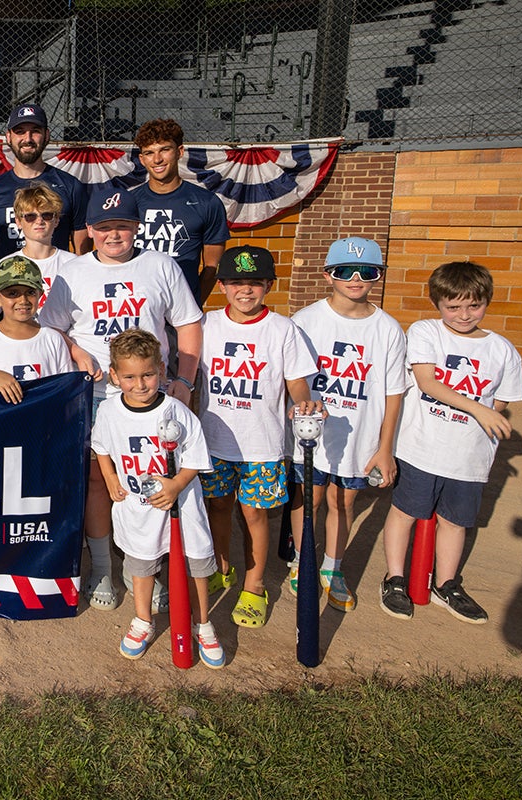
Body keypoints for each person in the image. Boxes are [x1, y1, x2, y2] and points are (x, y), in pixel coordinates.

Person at [39, 185, 202, 612]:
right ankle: (102, 568)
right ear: (90, 229)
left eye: (124, 226)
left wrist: (184, 380)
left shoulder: (160, 266)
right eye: (105, 226)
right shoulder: (74, 271)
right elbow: (52, 326)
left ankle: (144, 566)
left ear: (137, 227)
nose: (114, 235)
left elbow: (187, 324)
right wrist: (76, 352)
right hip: (95, 393)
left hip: (151, 390)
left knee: (151, 477)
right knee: (99, 480)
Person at [379, 261, 522, 623]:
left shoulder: (502, 349)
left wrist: (486, 414)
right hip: (421, 447)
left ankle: (446, 584)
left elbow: (500, 402)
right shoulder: (427, 331)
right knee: (406, 513)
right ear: (438, 304)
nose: (463, 314)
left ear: (486, 302)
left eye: (473, 306)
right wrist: (482, 410)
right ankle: (394, 578)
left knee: (455, 522)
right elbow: (427, 383)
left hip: (468, 458)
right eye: (453, 306)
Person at [197, 245, 321, 629]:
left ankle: (254, 586)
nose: (245, 291)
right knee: (217, 506)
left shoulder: (283, 329)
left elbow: (297, 382)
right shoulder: (205, 325)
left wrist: (304, 404)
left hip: (261, 443)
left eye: (254, 283)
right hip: (214, 438)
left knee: (254, 513)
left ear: (268, 285)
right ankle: (222, 566)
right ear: (221, 285)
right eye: (236, 282)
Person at [288, 237, 408, 612]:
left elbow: (393, 394)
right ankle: (300, 561)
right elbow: (292, 377)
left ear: (379, 276)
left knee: (343, 501)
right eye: (345, 271)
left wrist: (385, 448)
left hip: (359, 435)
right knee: (308, 498)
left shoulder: (388, 329)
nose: (356, 279)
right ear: (328, 275)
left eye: (367, 272)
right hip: (311, 434)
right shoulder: (305, 320)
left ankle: (332, 568)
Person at [92, 329, 224, 668]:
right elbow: (102, 447)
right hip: (137, 511)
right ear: (115, 376)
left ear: (162, 370)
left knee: (195, 568)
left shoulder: (177, 411)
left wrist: (176, 485)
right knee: (141, 566)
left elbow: (196, 456)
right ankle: (142, 622)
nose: (140, 384)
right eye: (130, 377)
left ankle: (203, 624)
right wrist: (109, 477)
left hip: (182, 510)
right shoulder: (108, 411)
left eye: (148, 374)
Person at [0, 103, 90, 270]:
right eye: (20, 132)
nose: (27, 139)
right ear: (8, 137)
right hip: (11, 288)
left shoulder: (71, 187)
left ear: (46, 135)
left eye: (35, 131)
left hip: (58, 285)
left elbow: (81, 251)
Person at [130, 119, 230, 305]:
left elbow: (211, 268)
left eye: (164, 150)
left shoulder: (207, 202)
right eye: (149, 153)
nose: (157, 159)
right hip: (135, 307)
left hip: (180, 309)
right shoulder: (129, 202)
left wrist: (191, 308)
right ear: (142, 159)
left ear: (180, 151)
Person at [0, 255, 73, 403]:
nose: (23, 300)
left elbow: (67, 388)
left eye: (30, 292)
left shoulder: (53, 338)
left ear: (41, 294)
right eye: (12, 293)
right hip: (1, 423)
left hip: (44, 423)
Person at [0, 182, 75, 329]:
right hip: (20, 345)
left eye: (46, 215)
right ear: (19, 222)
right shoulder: (7, 264)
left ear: (56, 220)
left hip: (63, 345)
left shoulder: (74, 263)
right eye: (30, 216)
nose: (39, 221)